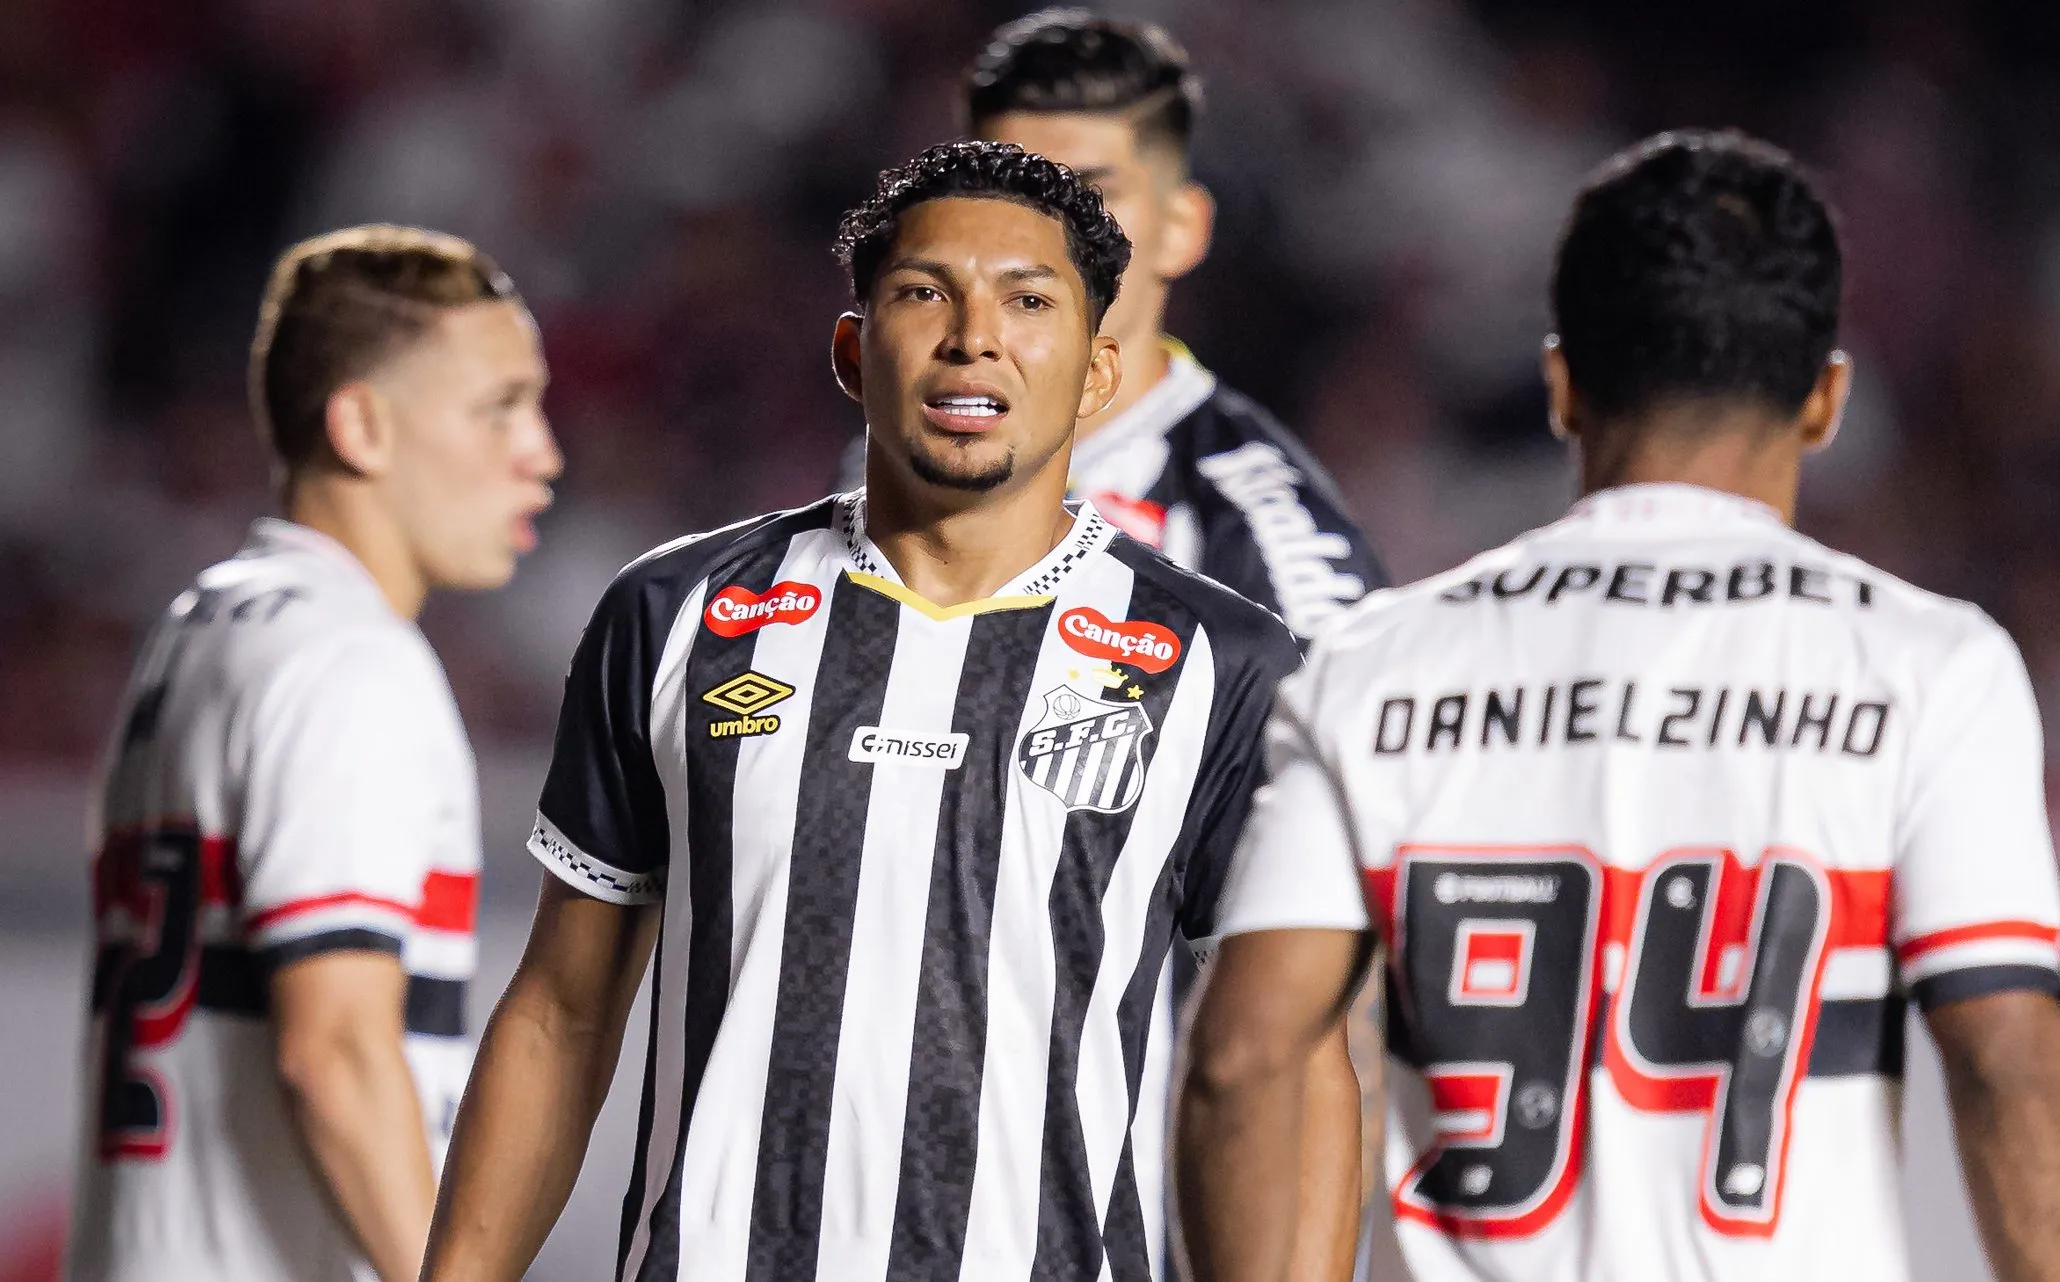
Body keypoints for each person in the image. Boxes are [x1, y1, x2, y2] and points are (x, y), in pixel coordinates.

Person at [1178, 131, 2060, 1282]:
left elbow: (1245, 1056)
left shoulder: (1377, 662)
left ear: (1562, 384)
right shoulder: (1928, 664)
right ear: (1826, 399)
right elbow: (2007, 1053)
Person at [420, 141, 1303, 1282]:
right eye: (925, 293)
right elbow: (560, 1013)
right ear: (851, 350)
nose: (973, 336)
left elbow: (1288, 1064)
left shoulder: (1222, 662)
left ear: (1096, 372)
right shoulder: (675, 612)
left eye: (1028, 301)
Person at [965, 14, 1394, 1274]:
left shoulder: (1264, 549)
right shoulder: (910, 448)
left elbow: (1338, 995)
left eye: (1090, 192)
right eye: (1008, 190)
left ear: (1183, 227)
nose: (1044, 234)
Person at [68, 226, 561, 1282]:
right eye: (500, 407)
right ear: (362, 424)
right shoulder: (351, 658)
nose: (541, 452)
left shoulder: (197, 630)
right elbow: (335, 1054)